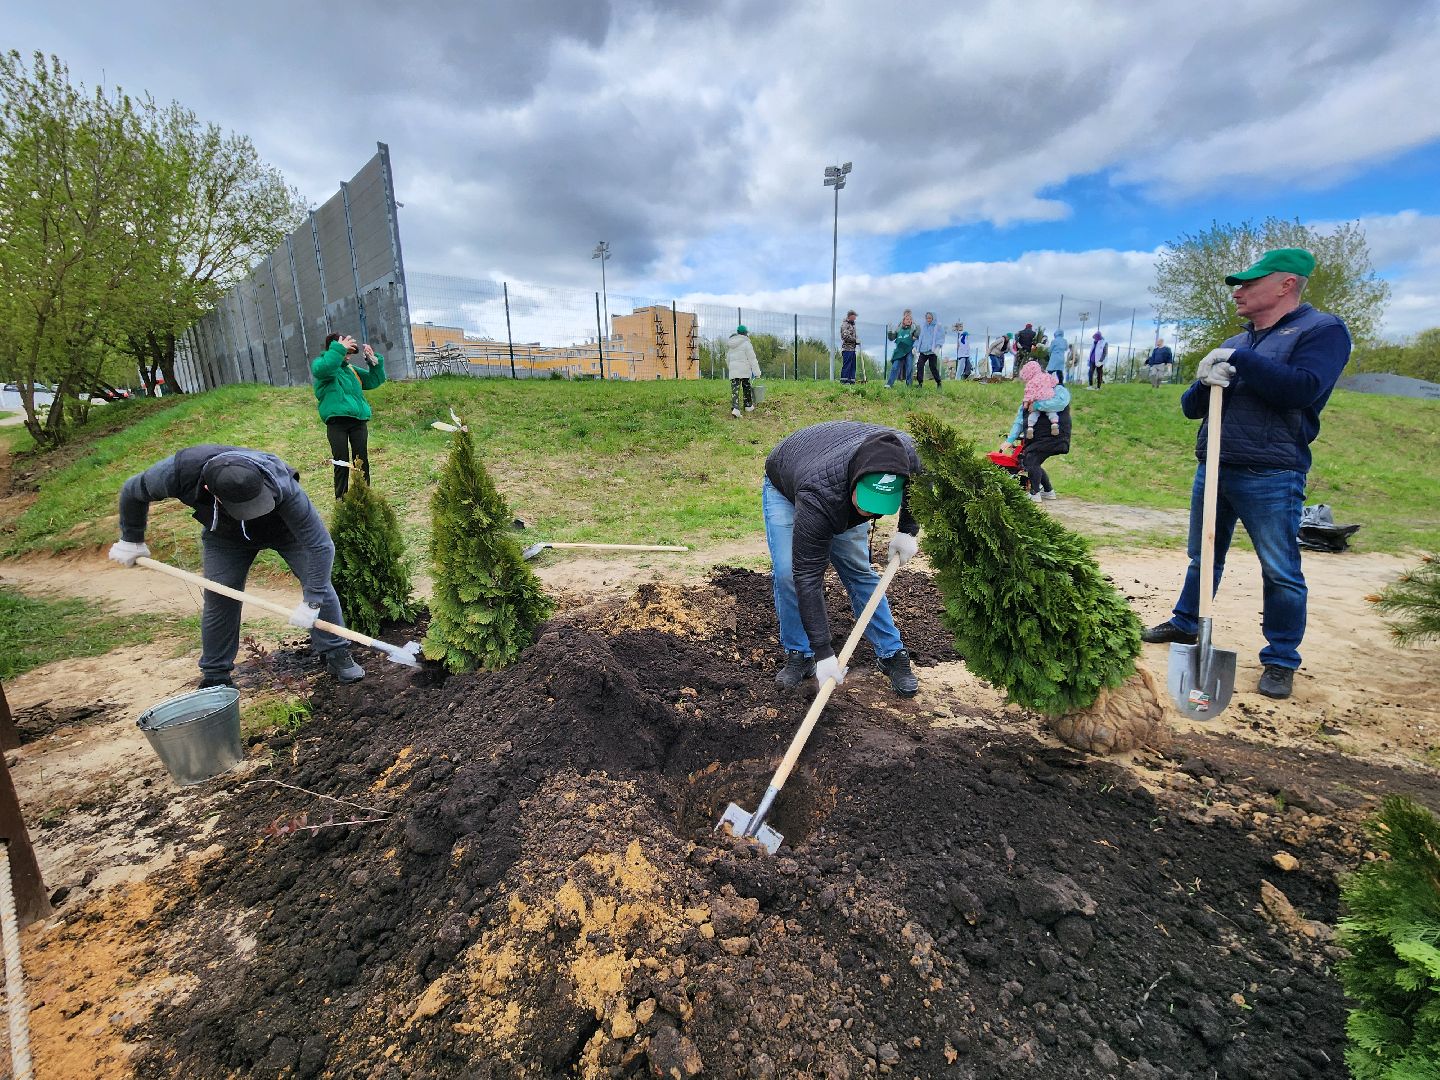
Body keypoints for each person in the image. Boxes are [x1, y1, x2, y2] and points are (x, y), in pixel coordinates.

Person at [1140, 247, 1351, 700]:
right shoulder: (1239, 342)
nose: (1238, 292)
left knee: (1279, 569)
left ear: (1286, 284)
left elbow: (1302, 390)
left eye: (1249, 284)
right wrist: (1204, 382)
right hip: (1215, 465)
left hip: (1271, 471)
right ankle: (1186, 623)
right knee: (1203, 555)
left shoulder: (1322, 331)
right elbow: (1191, 408)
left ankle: (1280, 658)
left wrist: (1242, 362)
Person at [107, 445, 365, 688]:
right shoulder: (179, 472)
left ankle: (336, 652)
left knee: (318, 582)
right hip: (225, 536)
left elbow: (320, 546)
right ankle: (215, 675)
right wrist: (132, 539)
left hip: (286, 532)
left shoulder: (280, 481)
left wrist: (312, 601)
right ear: (210, 490)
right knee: (220, 596)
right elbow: (132, 490)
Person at [763, 420, 922, 697]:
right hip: (790, 481)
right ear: (856, 480)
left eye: (878, 508)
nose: (868, 514)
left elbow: (920, 486)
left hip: (832, 469)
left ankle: (891, 652)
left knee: (859, 571)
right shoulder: (819, 495)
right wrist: (824, 652)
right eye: (866, 503)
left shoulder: (908, 458)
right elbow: (807, 575)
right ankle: (801, 654)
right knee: (789, 572)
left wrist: (907, 530)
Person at [312, 333, 387, 499]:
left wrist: (373, 362)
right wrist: (338, 350)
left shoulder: (351, 370)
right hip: (336, 422)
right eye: (345, 352)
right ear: (333, 349)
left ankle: (364, 498)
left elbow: (374, 380)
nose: (347, 356)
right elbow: (324, 369)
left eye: (350, 353)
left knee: (361, 461)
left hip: (358, 421)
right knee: (341, 462)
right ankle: (342, 501)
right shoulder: (323, 367)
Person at [1000, 370, 1072, 503]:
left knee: (1031, 460)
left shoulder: (1058, 390)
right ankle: (1048, 491)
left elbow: (1061, 403)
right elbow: (1019, 421)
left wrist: (1038, 405)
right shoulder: (1029, 398)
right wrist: (1009, 440)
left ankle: (1035, 493)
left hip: (1055, 436)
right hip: (1039, 438)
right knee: (1033, 461)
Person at [1017, 360, 1071, 443]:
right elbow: (1054, 382)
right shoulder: (1047, 376)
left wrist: (1027, 403)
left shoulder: (1031, 383)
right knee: (1052, 412)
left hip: (1037, 400)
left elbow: (1028, 394)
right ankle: (1054, 423)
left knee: (1033, 414)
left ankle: (1030, 427)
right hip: (1049, 397)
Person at [726, 325, 762, 417]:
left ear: (738, 333)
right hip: (744, 370)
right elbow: (752, 359)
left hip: (734, 371)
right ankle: (748, 406)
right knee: (746, 387)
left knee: (735, 390)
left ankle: (735, 409)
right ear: (745, 333)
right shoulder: (746, 343)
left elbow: (727, 359)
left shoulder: (731, 345)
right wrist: (757, 373)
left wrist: (731, 368)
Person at [886, 311, 919, 388]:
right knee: (895, 367)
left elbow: (917, 335)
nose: (909, 320)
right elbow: (891, 338)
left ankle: (909, 385)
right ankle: (889, 384)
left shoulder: (912, 329)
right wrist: (890, 331)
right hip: (899, 351)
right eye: (907, 319)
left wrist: (917, 326)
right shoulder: (899, 329)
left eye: (910, 319)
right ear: (903, 321)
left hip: (909, 351)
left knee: (909, 367)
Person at [916, 311, 945, 387]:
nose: (928, 319)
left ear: (933, 318)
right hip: (923, 350)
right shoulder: (923, 327)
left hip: (932, 351)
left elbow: (941, 337)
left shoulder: (937, 326)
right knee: (919, 365)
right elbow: (920, 338)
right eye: (927, 318)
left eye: (930, 318)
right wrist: (916, 347)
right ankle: (920, 383)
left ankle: (938, 382)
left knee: (933, 367)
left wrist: (938, 346)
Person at [839, 310, 860, 385]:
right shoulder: (845, 325)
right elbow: (845, 337)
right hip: (847, 349)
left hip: (853, 349)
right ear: (850, 316)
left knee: (853, 366)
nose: (855, 318)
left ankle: (851, 381)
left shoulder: (852, 325)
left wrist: (856, 340)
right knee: (847, 365)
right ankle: (844, 381)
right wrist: (855, 340)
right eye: (854, 316)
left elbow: (853, 336)